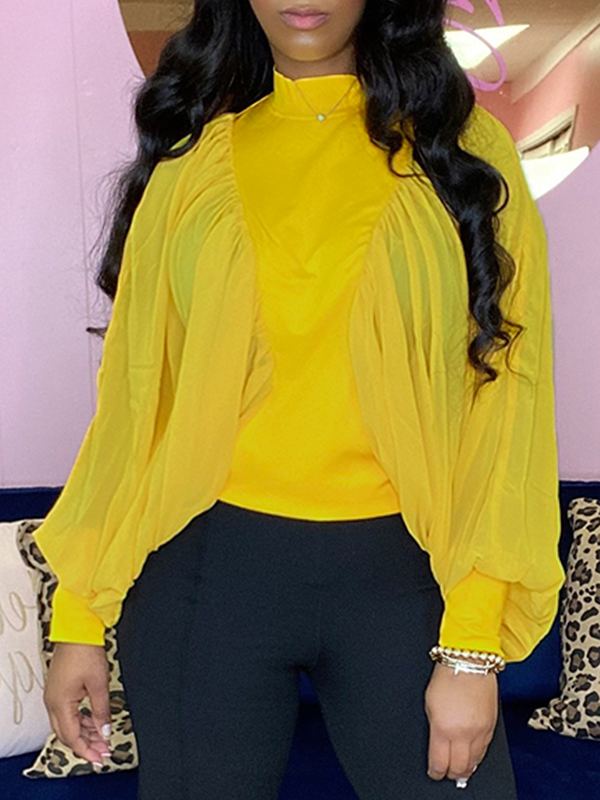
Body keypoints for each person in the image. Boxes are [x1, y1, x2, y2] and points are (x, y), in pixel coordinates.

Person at [35, 1, 566, 798]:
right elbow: (137, 401)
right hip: (204, 574)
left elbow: (510, 404)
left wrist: (470, 647)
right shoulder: (192, 167)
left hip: (405, 577)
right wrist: (79, 619)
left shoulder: (464, 157)